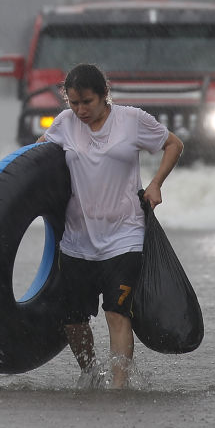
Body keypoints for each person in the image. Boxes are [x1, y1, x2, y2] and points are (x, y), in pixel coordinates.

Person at [39, 63, 184, 388]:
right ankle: (90, 374)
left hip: (125, 235)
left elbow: (173, 144)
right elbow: (38, 155)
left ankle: (119, 387)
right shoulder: (64, 123)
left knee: (117, 312)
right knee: (74, 320)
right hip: (77, 239)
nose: (80, 110)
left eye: (87, 102)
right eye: (73, 103)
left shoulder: (131, 120)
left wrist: (156, 183)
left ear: (105, 94)